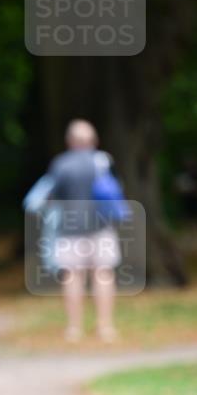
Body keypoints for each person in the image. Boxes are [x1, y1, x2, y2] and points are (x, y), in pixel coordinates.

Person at [47, 119, 121, 342]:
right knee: (104, 274)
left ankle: (74, 329)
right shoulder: (104, 161)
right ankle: (105, 327)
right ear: (94, 140)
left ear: (70, 141)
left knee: (72, 276)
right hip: (102, 226)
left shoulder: (61, 164)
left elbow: (53, 195)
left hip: (70, 228)